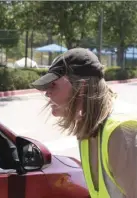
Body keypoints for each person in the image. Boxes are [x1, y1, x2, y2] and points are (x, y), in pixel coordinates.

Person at [31, 47, 137, 198]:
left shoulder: (121, 132)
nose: (47, 93)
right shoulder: (86, 127)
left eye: (53, 85)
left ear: (81, 87)